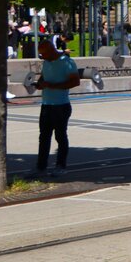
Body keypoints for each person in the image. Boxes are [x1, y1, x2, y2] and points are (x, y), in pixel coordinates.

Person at [35, 39, 80, 176]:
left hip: (61, 105)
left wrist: (52, 86)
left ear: (51, 50)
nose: (43, 57)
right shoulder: (46, 63)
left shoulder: (66, 62)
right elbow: (43, 78)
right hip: (46, 104)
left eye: (44, 54)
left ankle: (61, 165)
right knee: (44, 137)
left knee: (60, 136)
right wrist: (39, 84)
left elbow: (75, 81)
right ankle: (41, 167)